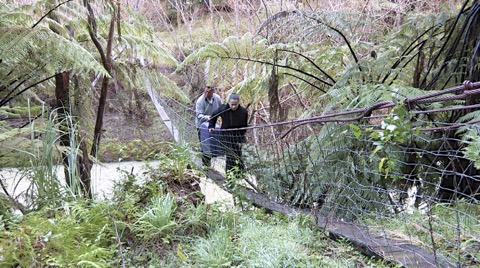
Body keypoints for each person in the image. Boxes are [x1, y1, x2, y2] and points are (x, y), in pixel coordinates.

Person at [208, 93, 248, 177]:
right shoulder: (223, 109)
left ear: (238, 103)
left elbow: (244, 127)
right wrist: (211, 126)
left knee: (237, 154)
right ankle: (229, 176)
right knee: (230, 155)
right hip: (225, 135)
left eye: (235, 105)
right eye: (232, 104)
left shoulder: (243, 112)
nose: (233, 106)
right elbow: (214, 115)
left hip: (237, 135)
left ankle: (240, 174)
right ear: (229, 103)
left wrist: (241, 140)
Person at [195, 85, 222, 166]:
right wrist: (206, 117)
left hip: (212, 126)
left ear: (212, 92)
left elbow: (221, 109)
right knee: (205, 145)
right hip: (201, 126)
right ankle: (206, 165)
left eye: (208, 92)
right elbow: (198, 115)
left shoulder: (217, 98)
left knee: (213, 144)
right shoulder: (200, 101)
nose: (206, 93)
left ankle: (213, 161)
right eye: (205, 91)